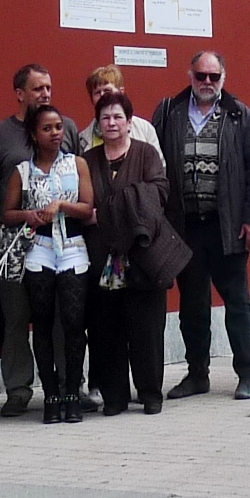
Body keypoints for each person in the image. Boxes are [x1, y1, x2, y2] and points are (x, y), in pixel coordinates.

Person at [149, 49, 250, 401]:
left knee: (237, 304)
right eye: (201, 76)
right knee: (192, 308)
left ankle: (247, 374)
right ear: (190, 76)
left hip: (226, 225)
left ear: (223, 79)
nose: (207, 83)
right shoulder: (169, 111)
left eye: (214, 77)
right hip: (185, 226)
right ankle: (197, 374)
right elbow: (153, 162)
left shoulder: (239, 115)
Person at [0, 65, 79, 416]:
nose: (45, 94)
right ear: (19, 93)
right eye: (37, 88)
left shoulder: (66, 127)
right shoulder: (0, 135)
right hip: (14, 243)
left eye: (49, 87)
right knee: (16, 318)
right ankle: (18, 390)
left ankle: (68, 386)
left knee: (61, 316)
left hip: (60, 241)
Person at [0, 104, 92, 423]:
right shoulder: (22, 171)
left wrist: (61, 205)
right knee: (40, 321)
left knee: (72, 322)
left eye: (58, 127)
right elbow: (6, 214)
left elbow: (88, 207)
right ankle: (50, 393)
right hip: (38, 248)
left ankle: (71, 392)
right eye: (47, 128)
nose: (55, 133)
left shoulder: (77, 164)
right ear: (34, 135)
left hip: (72, 248)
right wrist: (29, 215)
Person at [82, 90, 173, 416]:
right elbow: (82, 205)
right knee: (106, 329)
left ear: (129, 122)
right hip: (102, 256)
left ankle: (150, 394)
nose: (111, 122)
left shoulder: (146, 154)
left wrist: (105, 213)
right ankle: (115, 397)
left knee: (146, 329)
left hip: (142, 255)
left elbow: (158, 194)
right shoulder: (88, 160)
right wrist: (117, 210)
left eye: (117, 116)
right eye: (105, 117)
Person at [82, 66, 161, 154]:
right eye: (97, 92)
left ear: (121, 92)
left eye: (107, 90)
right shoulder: (83, 139)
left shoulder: (144, 129)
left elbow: (159, 165)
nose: (102, 96)